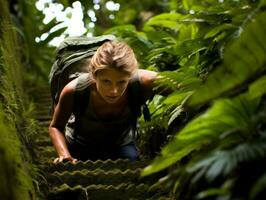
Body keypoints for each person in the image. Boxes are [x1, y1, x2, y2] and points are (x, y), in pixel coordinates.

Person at [49, 40, 158, 164]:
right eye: (106, 81)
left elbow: (181, 85)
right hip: (79, 147)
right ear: (94, 76)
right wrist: (64, 154)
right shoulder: (74, 90)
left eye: (121, 82)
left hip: (122, 146)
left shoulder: (144, 81)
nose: (114, 91)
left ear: (130, 77)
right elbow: (56, 126)